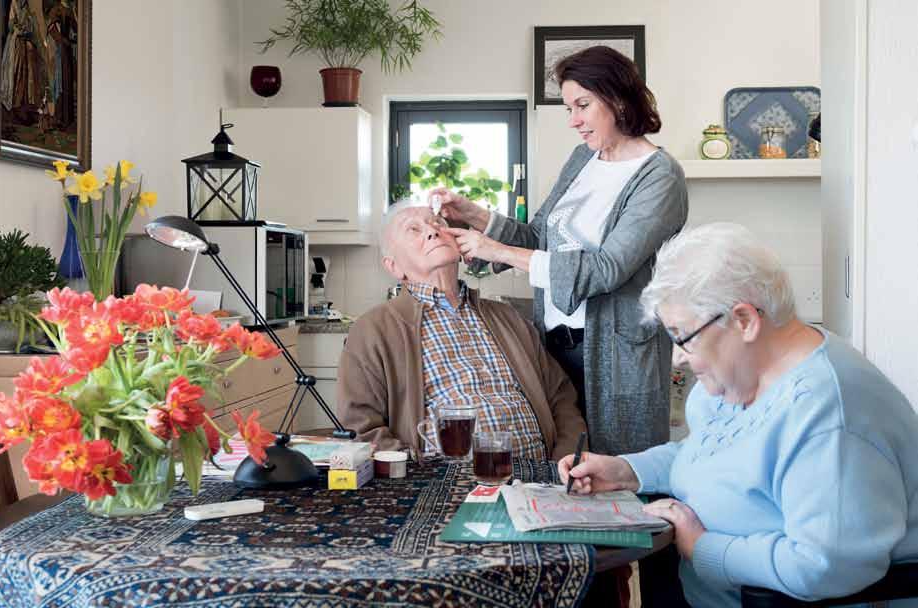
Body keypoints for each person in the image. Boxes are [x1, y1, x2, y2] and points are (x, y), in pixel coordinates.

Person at [559, 223, 918, 607]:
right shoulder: (741, 376)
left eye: (683, 336)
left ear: (744, 320)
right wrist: (626, 470)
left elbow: (825, 565)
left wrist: (703, 547)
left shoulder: (829, 414)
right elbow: (708, 453)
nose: (678, 356)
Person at [435, 45, 688, 458]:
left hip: (615, 354)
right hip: (554, 346)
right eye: (569, 108)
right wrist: (476, 216)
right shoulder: (582, 159)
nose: (574, 121)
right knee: (561, 467)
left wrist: (495, 249)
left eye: (582, 105)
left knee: (617, 473)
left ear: (618, 99)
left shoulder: (659, 176)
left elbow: (607, 269)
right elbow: (538, 237)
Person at [337, 203, 587, 461]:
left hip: (538, 479)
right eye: (413, 229)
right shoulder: (373, 330)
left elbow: (561, 398)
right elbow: (362, 429)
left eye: (437, 223)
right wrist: (417, 475)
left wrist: (564, 460)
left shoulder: (508, 317)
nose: (432, 231)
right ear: (394, 267)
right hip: (442, 485)